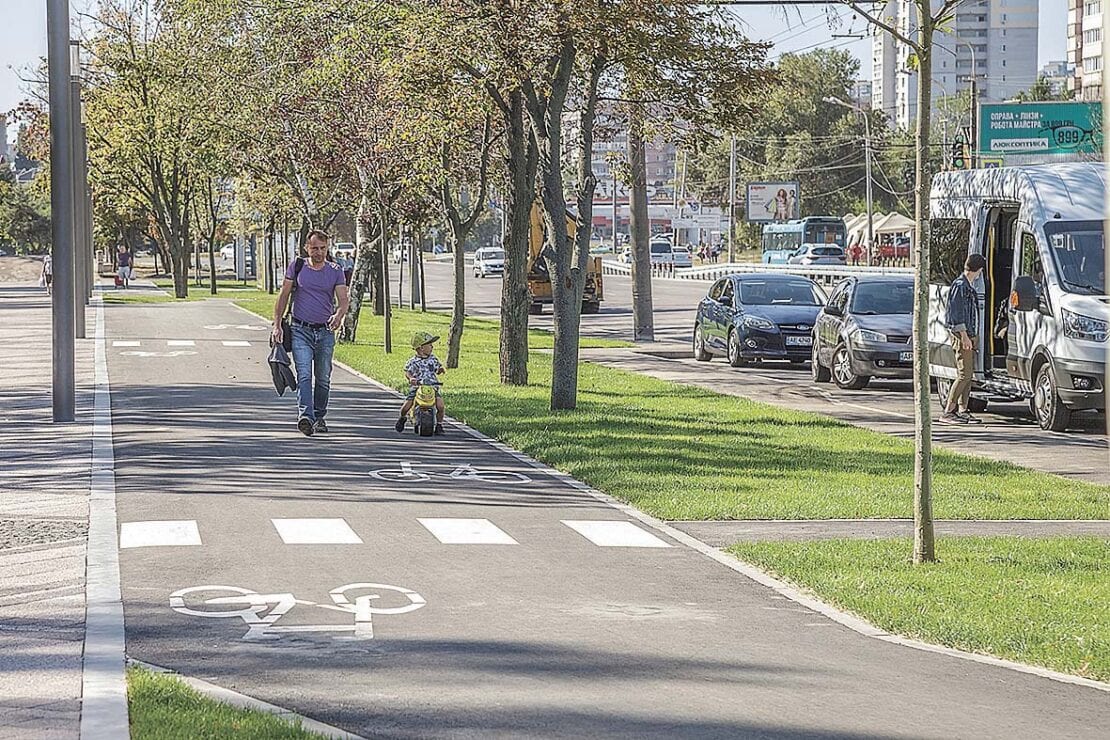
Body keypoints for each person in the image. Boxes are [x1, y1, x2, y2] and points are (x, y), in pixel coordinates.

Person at [270, 230, 350, 437]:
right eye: (315, 248)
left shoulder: (335, 270)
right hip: (300, 330)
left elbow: (343, 299)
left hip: (325, 331)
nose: (319, 252)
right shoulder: (297, 267)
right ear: (307, 248)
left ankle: (319, 415)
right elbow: (283, 295)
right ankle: (305, 416)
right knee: (304, 375)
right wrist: (277, 324)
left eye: (323, 248)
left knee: (323, 377)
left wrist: (339, 314)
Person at [939, 253, 987, 425]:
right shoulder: (960, 286)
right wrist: (965, 337)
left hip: (968, 335)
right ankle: (949, 411)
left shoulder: (966, 286)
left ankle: (962, 409)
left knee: (968, 375)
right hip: (962, 336)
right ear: (979, 269)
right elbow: (956, 315)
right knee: (964, 374)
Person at [395, 331, 446, 435]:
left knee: (440, 406)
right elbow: (408, 372)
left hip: (432, 387)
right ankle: (402, 417)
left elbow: (437, 369)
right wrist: (411, 378)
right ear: (421, 348)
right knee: (406, 406)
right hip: (418, 387)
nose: (432, 347)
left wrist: (440, 370)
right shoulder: (413, 361)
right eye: (430, 345)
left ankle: (439, 425)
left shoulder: (433, 359)